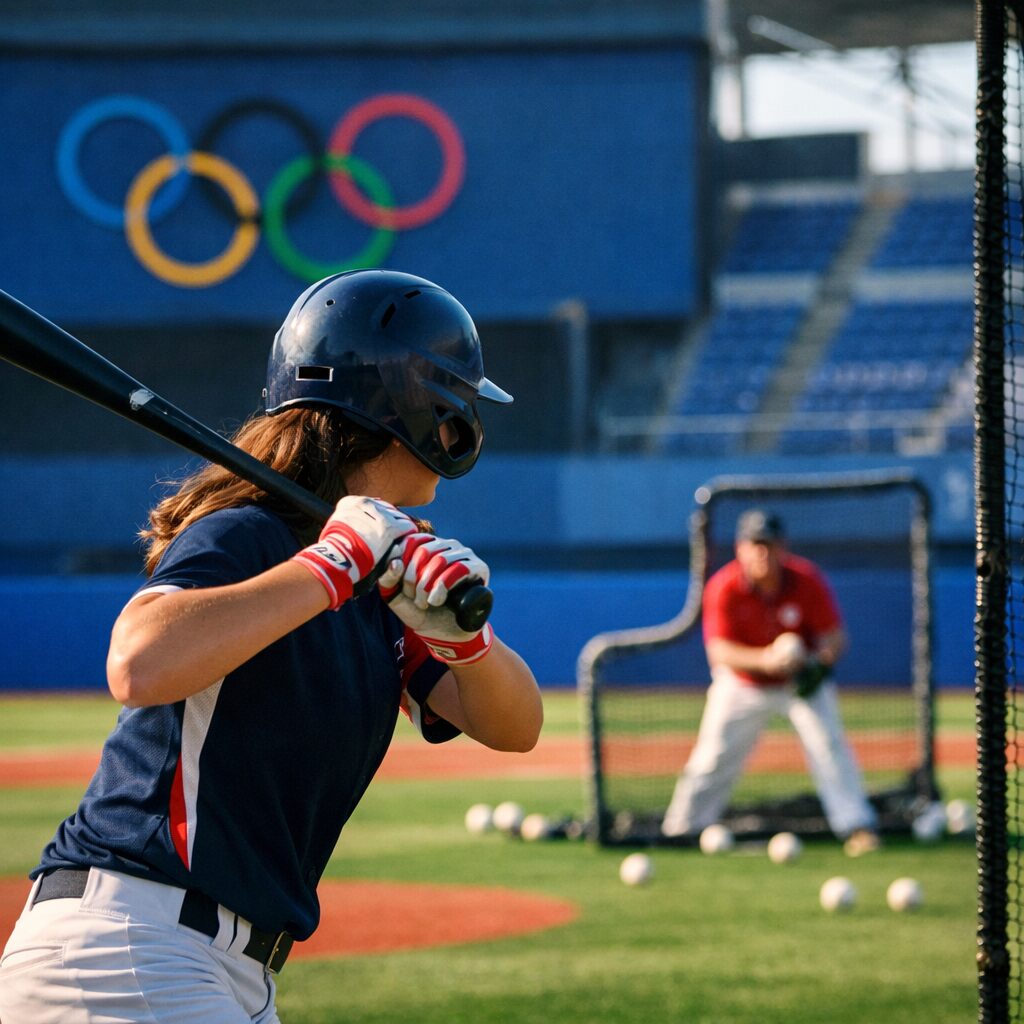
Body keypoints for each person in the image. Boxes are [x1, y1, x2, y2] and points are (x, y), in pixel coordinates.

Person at [0, 269, 543, 1024]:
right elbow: (137, 662)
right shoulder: (251, 534)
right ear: (418, 409)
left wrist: (464, 641)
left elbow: (517, 728)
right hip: (127, 950)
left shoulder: (379, 584)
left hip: (215, 969)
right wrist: (332, 563)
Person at [661, 508, 880, 856]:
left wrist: (816, 663)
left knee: (830, 746)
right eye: (754, 544)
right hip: (743, 683)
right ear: (740, 548)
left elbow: (835, 638)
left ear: (783, 547)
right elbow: (720, 652)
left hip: (799, 681)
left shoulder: (806, 579)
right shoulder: (725, 586)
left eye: (769, 544)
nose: (762, 552)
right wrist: (765, 658)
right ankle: (683, 827)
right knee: (712, 755)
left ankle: (856, 825)